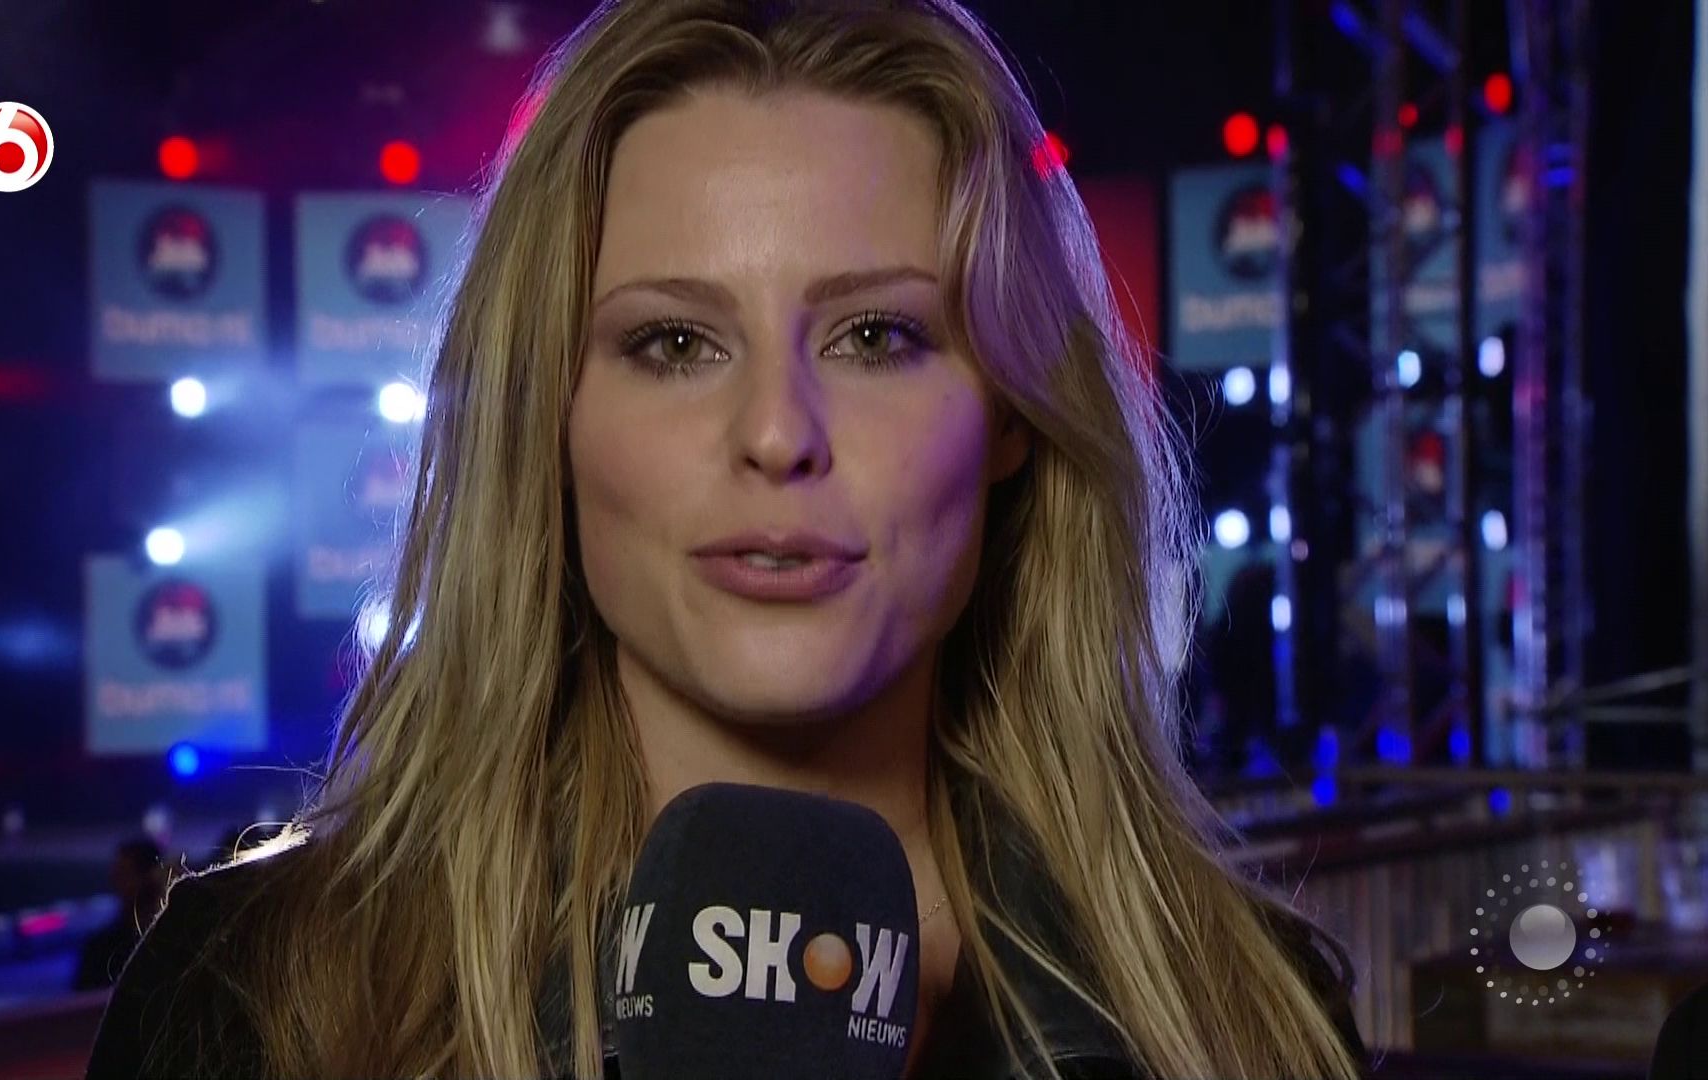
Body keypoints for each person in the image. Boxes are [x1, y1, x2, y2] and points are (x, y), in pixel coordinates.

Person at [86, 1, 1369, 1077]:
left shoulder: (1247, 1019)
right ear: (548, 418)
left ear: (1012, 416)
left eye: (876, 337)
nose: (776, 434)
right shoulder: (258, 1000)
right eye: (674, 342)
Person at [72, 836, 167, 991]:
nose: (116, 884)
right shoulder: (101, 949)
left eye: (124, 875)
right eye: (116, 875)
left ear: (150, 878)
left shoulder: (170, 939)